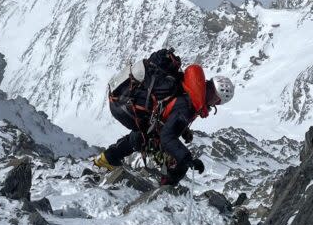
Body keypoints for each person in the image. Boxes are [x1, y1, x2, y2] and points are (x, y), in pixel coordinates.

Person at [94, 48, 235, 186]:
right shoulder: (188, 104)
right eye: (216, 101)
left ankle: (107, 159)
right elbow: (167, 136)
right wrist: (186, 158)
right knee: (153, 141)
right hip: (124, 107)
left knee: (144, 136)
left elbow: (170, 109)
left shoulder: (190, 88)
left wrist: (183, 130)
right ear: (217, 101)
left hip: (121, 100)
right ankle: (166, 186)